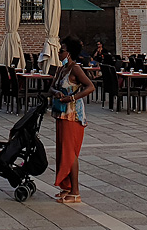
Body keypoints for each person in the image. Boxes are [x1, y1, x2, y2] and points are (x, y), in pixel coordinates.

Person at [51, 36, 96, 204]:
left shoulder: (76, 69)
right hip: (60, 113)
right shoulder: (61, 69)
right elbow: (52, 86)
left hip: (73, 116)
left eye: (61, 50)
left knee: (70, 152)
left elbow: (90, 86)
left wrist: (72, 98)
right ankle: (66, 187)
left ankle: (75, 191)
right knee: (62, 150)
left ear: (68, 53)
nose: (59, 52)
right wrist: (56, 93)